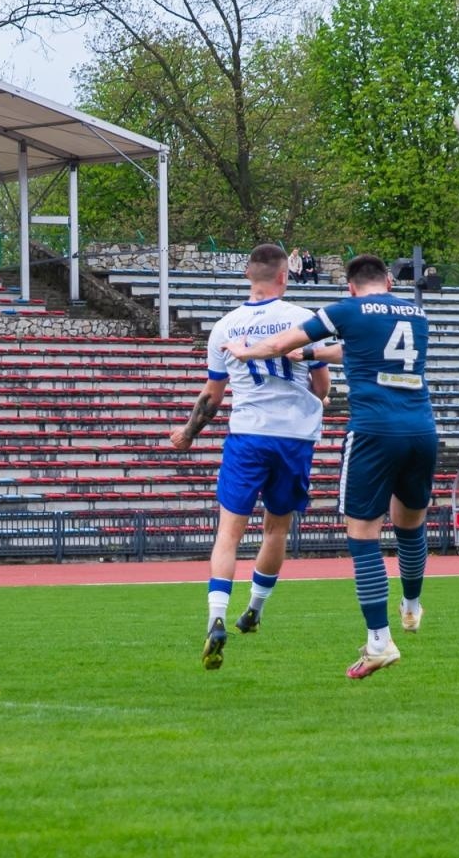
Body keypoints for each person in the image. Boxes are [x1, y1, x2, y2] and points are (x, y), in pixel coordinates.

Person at [226, 253, 435, 680]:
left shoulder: (347, 309)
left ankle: (379, 641)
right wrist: (312, 356)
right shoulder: (416, 314)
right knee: (410, 523)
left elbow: (282, 342)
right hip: (422, 429)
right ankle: (412, 606)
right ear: (390, 283)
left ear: (351, 287)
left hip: (374, 432)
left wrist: (245, 352)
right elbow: (359, 350)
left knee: (363, 535)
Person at [169, 243, 330, 671]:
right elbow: (322, 386)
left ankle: (216, 618)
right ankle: (254, 611)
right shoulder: (302, 318)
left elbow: (213, 395)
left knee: (228, 532)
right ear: (284, 275)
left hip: (248, 434)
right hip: (295, 436)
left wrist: (187, 433)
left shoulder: (225, 326)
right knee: (276, 530)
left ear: (247, 275)